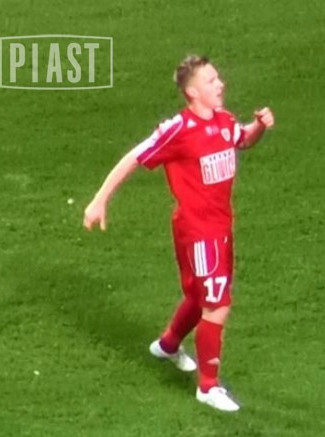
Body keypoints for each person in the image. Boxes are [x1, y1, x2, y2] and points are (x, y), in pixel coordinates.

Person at [82, 55, 274, 412]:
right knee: (217, 305)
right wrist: (100, 199)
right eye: (211, 80)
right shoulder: (179, 130)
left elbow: (242, 139)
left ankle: (168, 345)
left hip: (219, 227)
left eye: (218, 78)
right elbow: (135, 156)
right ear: (192, 92)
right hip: (199, 232)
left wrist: (259, 126)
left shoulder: (223, 121)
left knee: (200, 296)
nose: (221, 84)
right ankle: (208, 387)